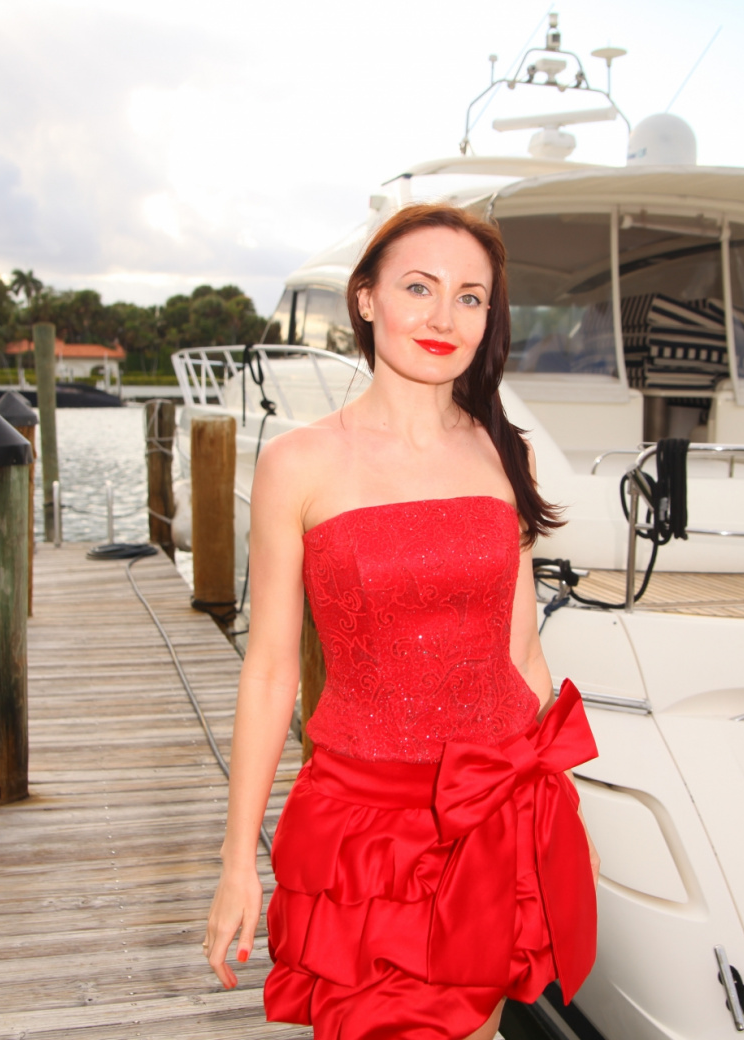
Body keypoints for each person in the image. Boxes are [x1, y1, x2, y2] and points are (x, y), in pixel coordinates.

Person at [202, 204, 601, 1040]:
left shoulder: (503, 450)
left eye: (470, 297)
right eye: (418, 288)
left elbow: (522, 649)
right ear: (366, 299)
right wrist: (240, 860)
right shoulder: (298, 462)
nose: (441, 316)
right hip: (364, 834)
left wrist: (556, 814)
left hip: (494, 817)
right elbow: (272, 669)